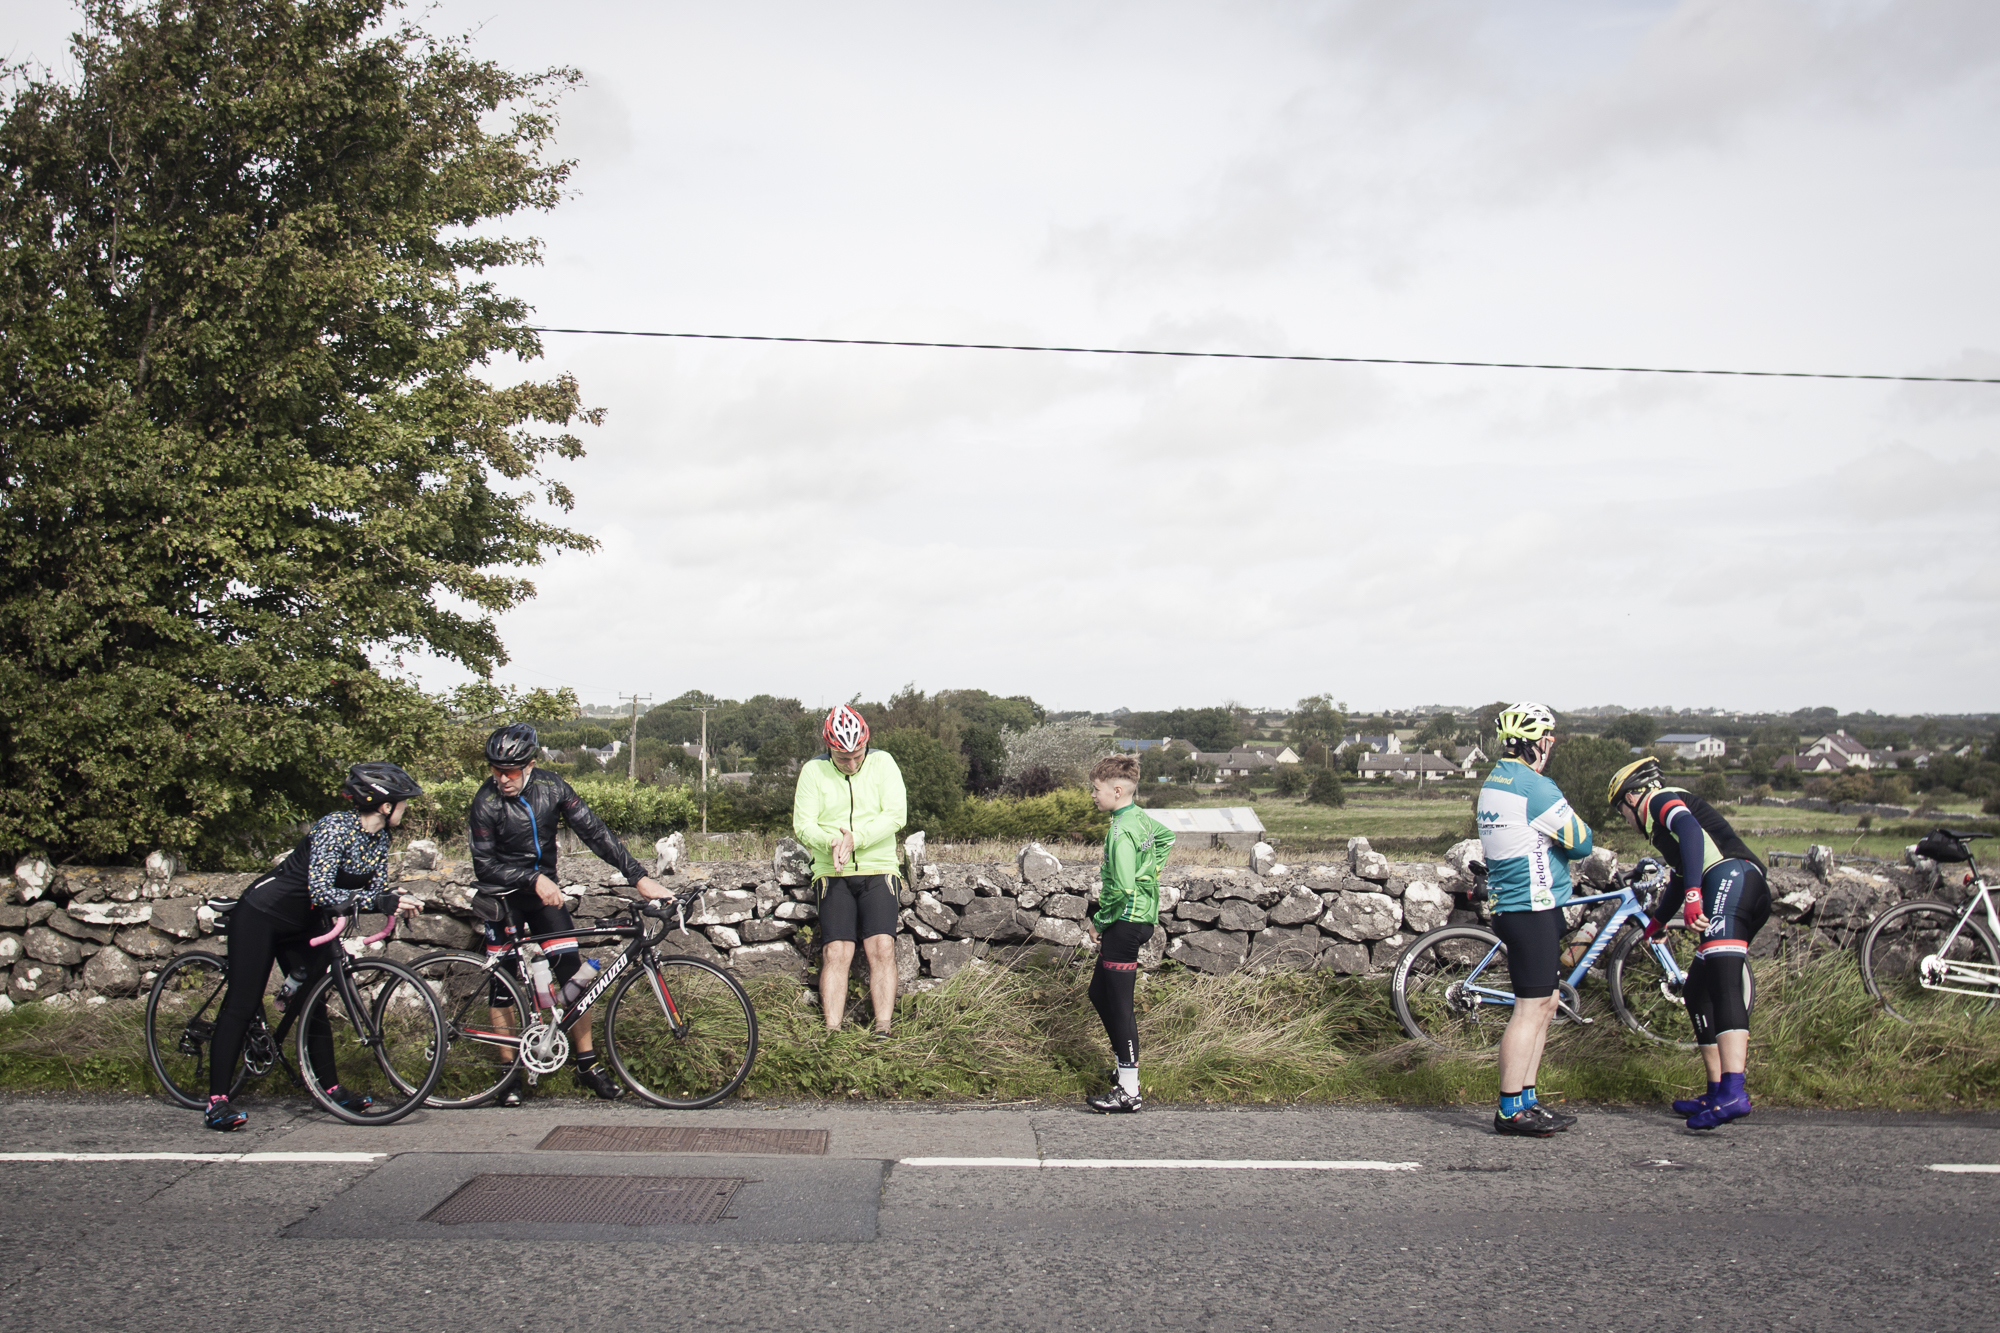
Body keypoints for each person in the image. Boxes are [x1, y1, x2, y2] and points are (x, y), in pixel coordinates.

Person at [203, 762, 428, 1131]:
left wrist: (390, 896)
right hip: (263, 914)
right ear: (386, 806)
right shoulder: (334, 827)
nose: (407, 809)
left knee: (313, 1004)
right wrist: (378, 901)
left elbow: (367, 891)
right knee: (242, 1004)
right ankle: (217, 1101)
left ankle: (331, 1089)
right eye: (403, 802)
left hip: (305, 924)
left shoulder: (380, 838)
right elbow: (323, 889)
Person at [469, 723, 675, 1102]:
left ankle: (587, 1064)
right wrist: (532, 879)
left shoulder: (552, 787)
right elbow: (484, 866)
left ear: (529, 765)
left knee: (573, 978)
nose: (502, 779)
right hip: (502, 898)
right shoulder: (486, 801)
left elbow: (594, 832)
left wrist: (639, 878)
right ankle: (509, 1073)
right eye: (495, 770)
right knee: (502, 988)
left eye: (510, 771)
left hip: (542, 896)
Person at [1608, 757, 1771, 1130]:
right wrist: (1658, 922)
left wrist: (1696, 895)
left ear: (1633, 797)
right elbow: (1682, 875)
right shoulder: (1663, 834)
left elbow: (1693, 833)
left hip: (1732, 878)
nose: (1625, 820)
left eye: (1621, 811)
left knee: (1726, 984)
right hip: (1734, 886)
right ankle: (1716, 1090)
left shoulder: (1660, 800)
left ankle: (1734, 1092)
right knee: (1698, 989)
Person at [1476, 702, 1593, 1137]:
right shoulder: (1534, 787)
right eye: (1549, 739)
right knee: (1529, 1010)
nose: (1552, 745)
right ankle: (1510, 1110)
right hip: (1531, 906)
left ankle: (1527, 1100)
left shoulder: (1496, 779)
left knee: (1545, 1005)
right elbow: (1582, 842)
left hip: (1520, 905)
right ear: (1538, 743)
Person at [792, 705, 908, 1037]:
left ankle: (884, 1029)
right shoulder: (813, 771)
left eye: (857, 755)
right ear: (828, 747)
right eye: (843, 758)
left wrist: (856, 839)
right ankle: (831, 1032)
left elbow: (896, 815)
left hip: (878, 867)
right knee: (836, 950)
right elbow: (803, 824)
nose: (852, 764)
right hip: (832, 870)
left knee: (882, 946)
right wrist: (832, 842)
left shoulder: (883, 763)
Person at [1082, 753, 1174, 1115]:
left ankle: (1129, 1091)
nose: (1093, 795)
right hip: (1138, 917)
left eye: (1096, 789)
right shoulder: (1138, 818)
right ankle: (1126, 1070)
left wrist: (1098, 923)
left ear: (1117, 790)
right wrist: (1149, 875)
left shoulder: (1120, 831)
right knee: (1098, 993)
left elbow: (1119, 889)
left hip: (1124, 921)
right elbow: (1167, 838)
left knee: (1119, 1006)